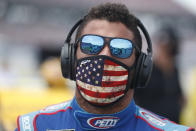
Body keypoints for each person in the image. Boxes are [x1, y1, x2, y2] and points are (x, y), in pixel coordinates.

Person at [15, 3, 195, 131]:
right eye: (91, 45)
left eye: (121, 49)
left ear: (140, 68)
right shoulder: (33, 126)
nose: (105, 55)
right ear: (70, 57)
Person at [134, 25, 185, 123]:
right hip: (150, 125)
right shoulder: (146, 70)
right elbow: (134, 99)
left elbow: (180, 97)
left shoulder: (175, 70)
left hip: (172, 125)